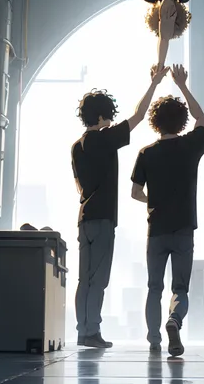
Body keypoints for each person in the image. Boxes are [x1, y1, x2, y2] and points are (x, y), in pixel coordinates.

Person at [72, 66, 168, 349]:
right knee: (99, 279)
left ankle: (82, 330)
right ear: (101, 116)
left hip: (84, 217)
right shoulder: (107, 139)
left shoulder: (77, 146)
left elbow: (80, 186)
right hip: (103, 219)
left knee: (83, 279)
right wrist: (154, 83)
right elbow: (139, 116)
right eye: (109, 114)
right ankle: (92, 332)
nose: (111, 118)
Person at [131, 64, 204, 356]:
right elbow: (202, 118)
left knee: (154, 287)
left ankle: (154, 339)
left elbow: (135, 192)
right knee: (180, 288)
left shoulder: (146, 153)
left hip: (157, 229)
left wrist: (153, 200)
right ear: (181, 122)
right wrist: (182, 85)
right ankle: (174, 320)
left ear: (155, 122)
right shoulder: (191, 146)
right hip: (184, 229)